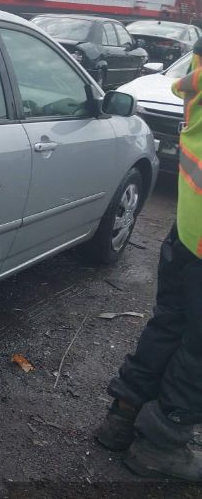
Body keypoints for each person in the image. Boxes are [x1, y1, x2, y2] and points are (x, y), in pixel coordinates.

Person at [95, 37, 202, 480]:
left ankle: (124, 414)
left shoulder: (196, 70)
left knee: (171, 322)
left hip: (190, 227)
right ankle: (161, 443)